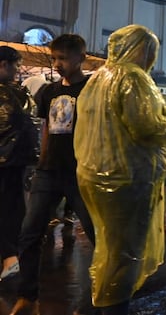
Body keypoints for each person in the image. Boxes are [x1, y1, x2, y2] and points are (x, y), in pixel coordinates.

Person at [73, 24, 166, 315]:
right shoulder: (133, 78)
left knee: (109, 248)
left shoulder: (97, 79)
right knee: (124, 254)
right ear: (142, 50)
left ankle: (104, 302)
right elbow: (149, 125)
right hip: (126, 179)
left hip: (94, 175)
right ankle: (113, 308)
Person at [11, 35, 97, 315]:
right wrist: (42, 162)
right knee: (29, 234)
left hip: (80, 172)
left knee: (98, 235)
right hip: (48, 172)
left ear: (80, 58)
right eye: (55, 58)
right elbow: (47, 128)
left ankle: (102, 294)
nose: (58, 64)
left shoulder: (92, 90)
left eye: (63, 58)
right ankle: (27, 297)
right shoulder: (48, 92)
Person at [0, 46, 35, 284]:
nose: (17, 70)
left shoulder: (11, 93)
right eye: (15, 65)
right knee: (11, 208)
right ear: (5, 65)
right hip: (12, 162)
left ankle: (10, 258)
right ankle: (11, 257)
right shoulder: (13, 94)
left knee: (8, 208)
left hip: (9, 162)